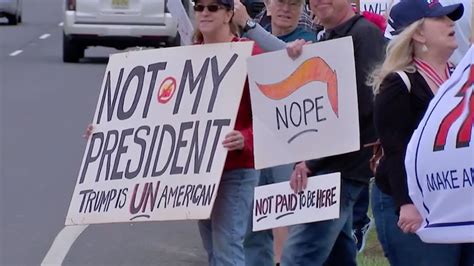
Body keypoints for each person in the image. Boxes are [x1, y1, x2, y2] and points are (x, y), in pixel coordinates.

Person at [370, 0, 474, 265]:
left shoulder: (461, 76)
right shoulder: (398, 83)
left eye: (450, 18)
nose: (450, 23)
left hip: (457, 202)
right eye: (440, 19)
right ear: (418, 33)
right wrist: (406, 203)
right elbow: (395, 148)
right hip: (412, 205)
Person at [242, 1, 316, 265]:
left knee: (287, 213)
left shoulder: (307, 41)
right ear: (269, 6)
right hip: (253, 141)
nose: (286, 9)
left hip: (289, 145)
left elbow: (294, 61)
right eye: (281, 2)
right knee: (252, 221)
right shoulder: (248, 42)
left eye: (293, 4)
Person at [192, 0, 263, 265]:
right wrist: (106, 130)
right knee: (213, 248)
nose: (204, 13)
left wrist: (246, 137)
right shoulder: (188, 57)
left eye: (213, 7)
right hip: (201, 169)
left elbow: (270, 117)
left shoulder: (251, 54)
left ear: (229, 14)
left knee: (227, 249)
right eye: (199, 7)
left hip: (237, 169)